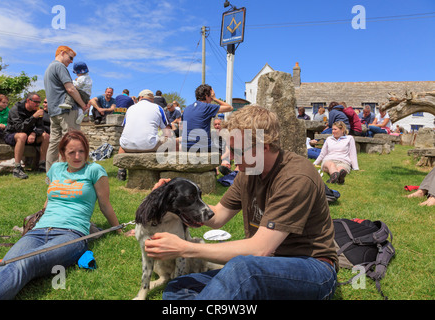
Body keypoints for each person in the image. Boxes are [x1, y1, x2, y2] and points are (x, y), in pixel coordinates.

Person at [145, 105, 338, 300]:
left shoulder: (296, 176)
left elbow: (260, 249)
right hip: (262, 268)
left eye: (238, 151)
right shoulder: (248, 172)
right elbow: (218, 215)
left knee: (243, 267)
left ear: (264, 146)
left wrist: (186, 248)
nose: (231, 158)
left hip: (312, 270)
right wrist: (173, 200)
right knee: (181, 285)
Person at [0, 130, 121, 300]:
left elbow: (104, 204)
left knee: (26, 262)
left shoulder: (94, 170)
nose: (77, 156)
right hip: (39, 231)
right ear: (62, 153)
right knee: (7, 262)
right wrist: (39, 218)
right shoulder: (56, 169)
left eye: (82, 151)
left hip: (71, 234)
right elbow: (50, 199)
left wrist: (119, 230)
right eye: (71, 152)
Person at [44, 45, 90, 173]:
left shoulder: (49, 68)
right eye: (70, 58)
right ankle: (67, 175)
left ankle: (51, 176)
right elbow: (70, 89)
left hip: (53, 112)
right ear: (62, 53)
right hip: (66, 111)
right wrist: (83, 105)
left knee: (54, 144)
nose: (71, 61)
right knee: (71, 142)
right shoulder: (60, 67)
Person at [116, 89, 175, 180]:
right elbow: (168, 132)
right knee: (171, 141)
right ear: (152, 99)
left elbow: (126, 128)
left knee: (124, 141)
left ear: (140, 98)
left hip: (127, 146)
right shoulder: (158, 108)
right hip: (149, 145)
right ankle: (169, 172)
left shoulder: (130, 108)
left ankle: (121, 171)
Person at [3, 93, 50, 179]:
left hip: (29, 136)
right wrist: (33, 117)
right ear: (28, 100)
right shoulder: (16, 109)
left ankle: (42, 165)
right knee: (22, 135)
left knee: (46, 136)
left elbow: (40, 127)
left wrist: (34, 133)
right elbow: (19, 128)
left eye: (39, 102)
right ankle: (17, 168)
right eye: (36, 102)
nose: (38, 104)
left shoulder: (38, 110)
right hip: (12, 135)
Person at [182, 84, 233, 152]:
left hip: (185, 146)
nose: (211, 99)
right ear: (206, 95)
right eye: (211, 96)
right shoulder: (207, 107)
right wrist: (215, 98)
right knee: (225, 150)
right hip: (202, 146)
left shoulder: (187, 109)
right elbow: (230, 108)